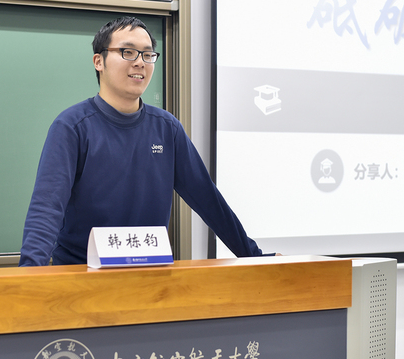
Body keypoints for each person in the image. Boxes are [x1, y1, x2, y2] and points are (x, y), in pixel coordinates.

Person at [19, 16, 265, 265]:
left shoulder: (167, 128)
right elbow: (47, 208)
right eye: (127, 52)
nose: (140, 62)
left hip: (150, 272)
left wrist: (255, 258)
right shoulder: (72, 126)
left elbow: (208, 200)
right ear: (98, 61)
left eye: (147, 55)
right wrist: (29, 275)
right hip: (81, 274)